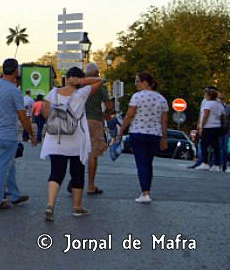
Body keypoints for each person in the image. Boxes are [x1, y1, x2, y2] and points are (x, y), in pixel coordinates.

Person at [39, 67, 106, 221]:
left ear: (67, 77)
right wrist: (81, 82)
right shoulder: (81, 93)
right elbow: (101, 81)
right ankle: (76, 206)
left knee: (56, 173)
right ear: (79, 80)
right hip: (76, 139)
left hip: (56, 139)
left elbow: (45, 112)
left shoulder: (53, 93)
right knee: (77, 173)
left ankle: (50, 204)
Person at [0, 58, 37, 210]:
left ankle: (14, 194)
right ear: (16, 71)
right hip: (8, 133)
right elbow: (22, 115)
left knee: (9, 164)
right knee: (2, 166)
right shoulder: (14, 91)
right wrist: (32, 134)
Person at [114, 72, 168, 203]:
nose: (136, 84)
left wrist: (121, 131)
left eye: (137, 81)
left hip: (138, 132)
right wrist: (164, 138)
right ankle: (147, 190)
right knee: (148, 163)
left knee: (141, 163)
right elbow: (164, 120)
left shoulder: (137, 97)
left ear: (145, 82)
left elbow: (129, 115)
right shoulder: (161, 99)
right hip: (155, 134)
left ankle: (145, 192)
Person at [83, 63, 113, 194]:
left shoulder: (79, 85)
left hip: (80, 121)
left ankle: (75, 182)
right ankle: (90, 185)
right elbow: (109, 105)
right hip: (95, 120)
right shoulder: (99, 86)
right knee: (93, 154)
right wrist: (106, 114)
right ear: (96, 74)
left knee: (78, 153)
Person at [194, 87, 226, 171]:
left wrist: (201, 126)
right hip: (217, 127)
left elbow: (205, 116)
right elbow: (223, 116)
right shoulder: (219, 104)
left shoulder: (208, 103)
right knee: (216, 146)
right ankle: (217, 164)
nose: (204, 95)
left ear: (208, 96)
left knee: (204, 145)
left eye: (205, 94)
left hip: (208, 127)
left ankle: (205, 163)